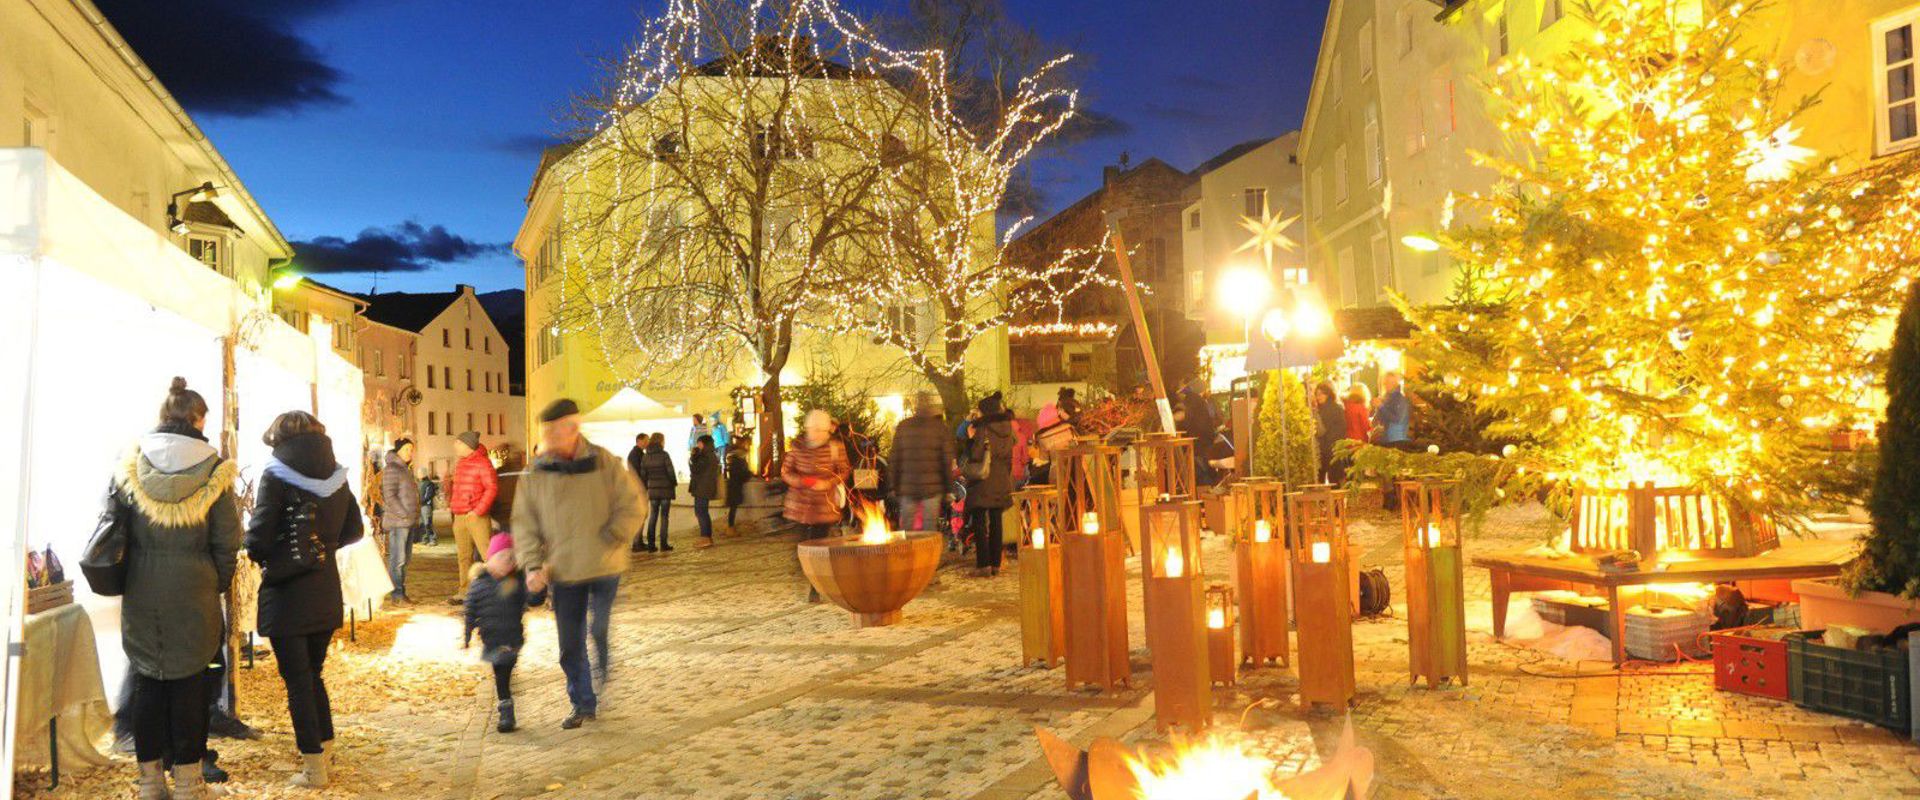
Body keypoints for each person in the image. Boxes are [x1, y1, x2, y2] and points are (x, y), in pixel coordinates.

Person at [114, 378, 241, 800]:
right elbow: (227, 542)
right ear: (198, 419)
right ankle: (188, 782)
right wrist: (213, 582)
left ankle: (151, 782)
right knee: (190, 684)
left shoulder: (132, 463)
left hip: (142, 590)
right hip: (195, 591)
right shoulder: (215, 470)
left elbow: (114, 530)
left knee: (147, 680)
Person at [245, 410, 363, 789]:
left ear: (279, 438)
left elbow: (259, 538)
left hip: (286, 593)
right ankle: (325, 749)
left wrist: (265, 549)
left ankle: (314, 768)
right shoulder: (337, 476)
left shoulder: (276, 474)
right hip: (325, 588)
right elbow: (354, 529)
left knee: (297, 681)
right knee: (313, 674)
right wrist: (322, 547)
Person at [513, 399, 643, 729]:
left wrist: (615, 534)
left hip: (604, 562)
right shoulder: (535, 472)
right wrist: (532, 566)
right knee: (569, 643)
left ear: (573, 428)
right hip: (563, 568)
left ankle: (601, 673)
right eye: (545, 433)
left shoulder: (604, 462)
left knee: (598, 628)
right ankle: (583, 702)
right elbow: (524, 523)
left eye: (553, 432)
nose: (547, 440)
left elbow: (633, 503)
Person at [464, 533, 529, 734]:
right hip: (491, 639)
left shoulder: (516, 581)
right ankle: (505, 707)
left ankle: (506, 712)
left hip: (511, 638)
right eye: (502, 557)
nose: (507, 562)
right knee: (500, 673)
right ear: (490, 559)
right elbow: (470, 610)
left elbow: (531, 599)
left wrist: (538, 586)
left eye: (511, 558)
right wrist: (467, 634)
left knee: (503, 673)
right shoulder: (479, 583)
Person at [783, 410, 850, 600]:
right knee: (802, 546)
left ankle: (815, 587)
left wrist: (828, 483)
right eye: (812, 429)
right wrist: (804, 481)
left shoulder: (835, 448)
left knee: (818, 547)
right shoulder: (797, 447)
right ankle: (808, 574)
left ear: (826, 430)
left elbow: (844, 470)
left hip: (824, 507)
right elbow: (786, 472)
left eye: (819, 430)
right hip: (800, 506)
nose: (814, 434)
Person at [964, 392, 1016, 577]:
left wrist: (970, 439)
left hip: (983, 480)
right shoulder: (1008, 427)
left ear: (985, 411)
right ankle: (996, 564)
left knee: (979, 522)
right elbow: (1010, 456)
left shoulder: (983, 428)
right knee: (996, 521)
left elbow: (976, 455)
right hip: (1001, 478)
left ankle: (983, 564)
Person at [891, 391, 954, 533]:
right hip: (932, 488)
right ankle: (927, 548)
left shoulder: (904, 426)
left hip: (908, 485)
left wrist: (893, 486)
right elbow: (946, 460)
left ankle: (907, 547)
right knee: (929, 529)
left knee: (907, 529)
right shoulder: (939, 428)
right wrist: (948, 488)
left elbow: (895, 458)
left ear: (915, 406)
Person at [447, 431, 499, 605]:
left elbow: (492, 488)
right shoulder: (461, 463)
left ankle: (498, 592)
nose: (455, 445)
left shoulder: (483, 463)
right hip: (460, 515)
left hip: (476, 516)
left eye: (458, 443)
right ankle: (465, 592)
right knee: (463, 556)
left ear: (467, 445)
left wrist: (478, 510)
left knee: (488, 555)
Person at [380, 438, 419, 604]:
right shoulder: (392, 469)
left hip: (408, 522)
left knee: (405, 559)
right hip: (398, 522)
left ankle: (401, 592)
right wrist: (404, 514)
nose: (410, 452)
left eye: (412, 449)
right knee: (398, 560)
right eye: (407, 449)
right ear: (398, 450)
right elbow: (389, 495)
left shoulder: (405, 469)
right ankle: (397, 594)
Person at [639, 432, 677, 552]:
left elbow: (643, 475)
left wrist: (648, 486)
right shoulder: (664, 455)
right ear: (660, 441)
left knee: (653, 516)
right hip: (665, 490)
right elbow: (670, 471)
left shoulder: (646, 456)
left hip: (653, 491)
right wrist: (673, 483)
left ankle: (651, 544)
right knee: (664, 517)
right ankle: (663, 544)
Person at [688, 435, 720, 547]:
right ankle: (707, 537)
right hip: (706, 487)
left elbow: (695, 469)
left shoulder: (705, 456)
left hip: (702, 487)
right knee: (703, 512)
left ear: (703, 443)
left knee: (700, 512)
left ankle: (705, 537)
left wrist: (693, 457)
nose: (698, 445)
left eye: (699, 443)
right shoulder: (711, 454)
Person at [1314, 382, 1347, 484]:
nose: (1318, 397)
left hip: (1329, 448)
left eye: (1321, 394)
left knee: (1330, 478)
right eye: (1317, 394)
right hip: (1332, 448)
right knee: (1334, 479)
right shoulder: (1334, 407)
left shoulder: (1329, 409)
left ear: (1328, 394)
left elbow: (1322, 430)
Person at [1374, 371, 1413, 446]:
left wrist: (1381, 407)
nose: (1386, 385)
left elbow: (1398, 419)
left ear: (1395, 384)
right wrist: (1378, 408)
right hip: (1388, 438)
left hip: (1396, 438)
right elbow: (1381, 419)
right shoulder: (1388, 398)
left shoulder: (1399, 399)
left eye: (1388, 383)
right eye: (1385, 383)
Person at [723, 440, 751, 535]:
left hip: (732, 487)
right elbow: (742, 475)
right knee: (733, 508)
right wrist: (749, 474)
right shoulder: (739, 461)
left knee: (733, 508)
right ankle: (730, 528)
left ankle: (730, 527)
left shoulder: (732, 460)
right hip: (736, 487)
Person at [418, 471, 439, 545]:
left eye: (419, 474)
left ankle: (433, 539)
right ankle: (425, 538)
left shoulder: (429, 484)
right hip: (420, 506)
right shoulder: (419, 483)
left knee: (428, 523)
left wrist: (421, 501)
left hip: (426, 506)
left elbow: (429, 496)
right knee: (422, 523)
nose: (418, 475)